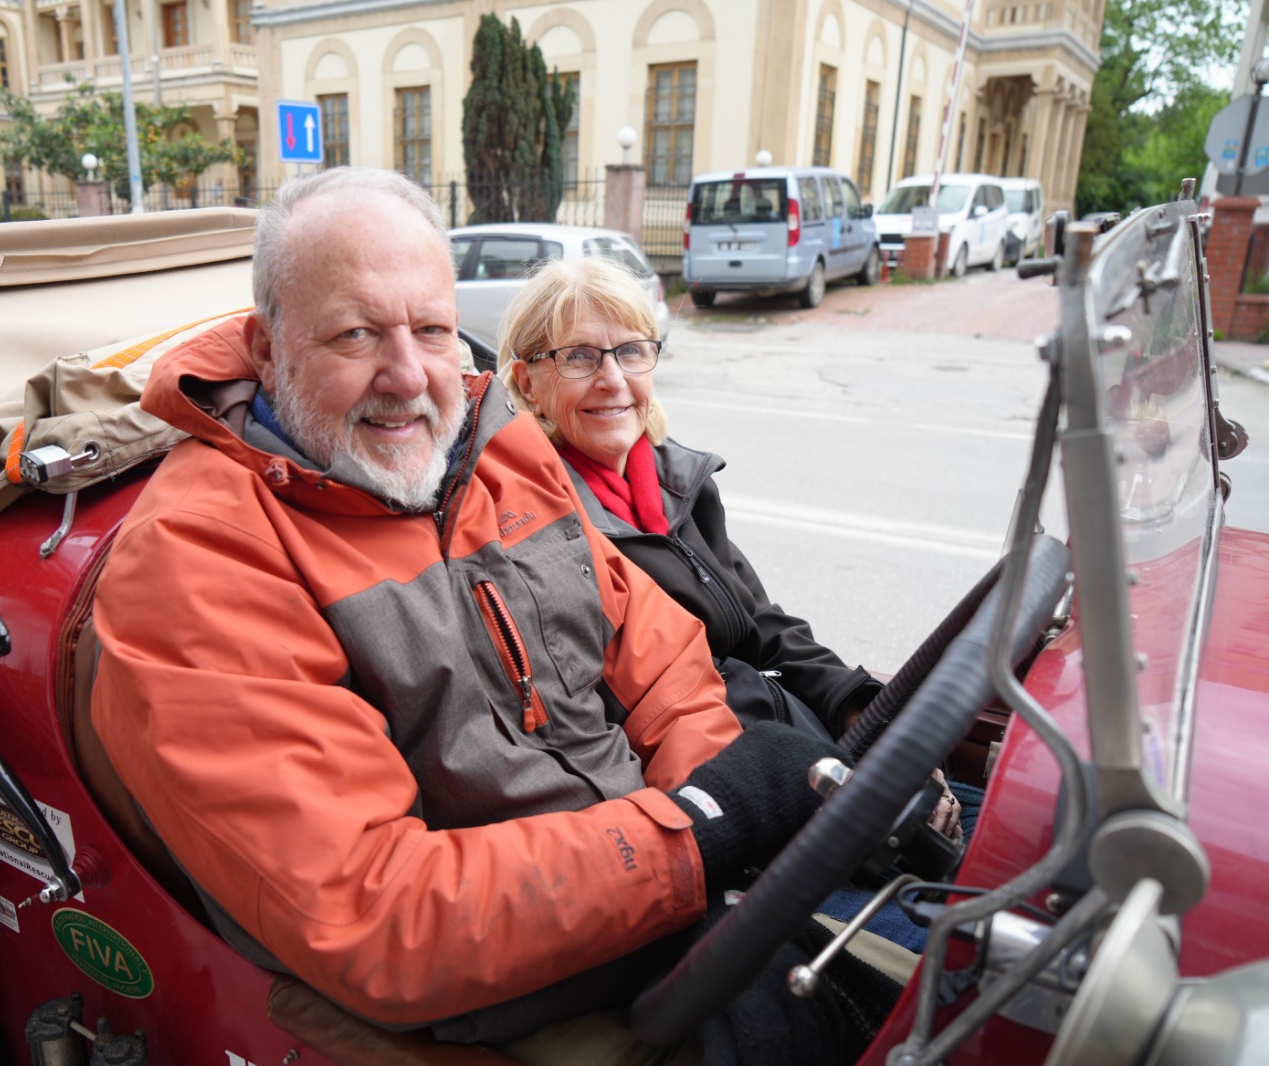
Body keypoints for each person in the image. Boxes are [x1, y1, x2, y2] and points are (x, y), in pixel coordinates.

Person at [91, 167, 876, 1064]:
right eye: (355, 334)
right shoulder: (200, 555)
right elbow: (376, 913)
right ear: (268, 351)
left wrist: (726, 832)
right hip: (498, 997)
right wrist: (701, 827)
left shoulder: (493, 443)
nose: (409, 376)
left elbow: (656, 654)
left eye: (430, 329)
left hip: (664, 898)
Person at [495, 254, 963, 843]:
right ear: (528, 382)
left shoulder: (677, 482)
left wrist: (864, 711)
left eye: (632, 351)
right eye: (580, 357)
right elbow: (620, 716)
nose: (613, 379)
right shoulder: (541, 527)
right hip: (724, 779)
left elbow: (762, 623)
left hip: (788, 730)